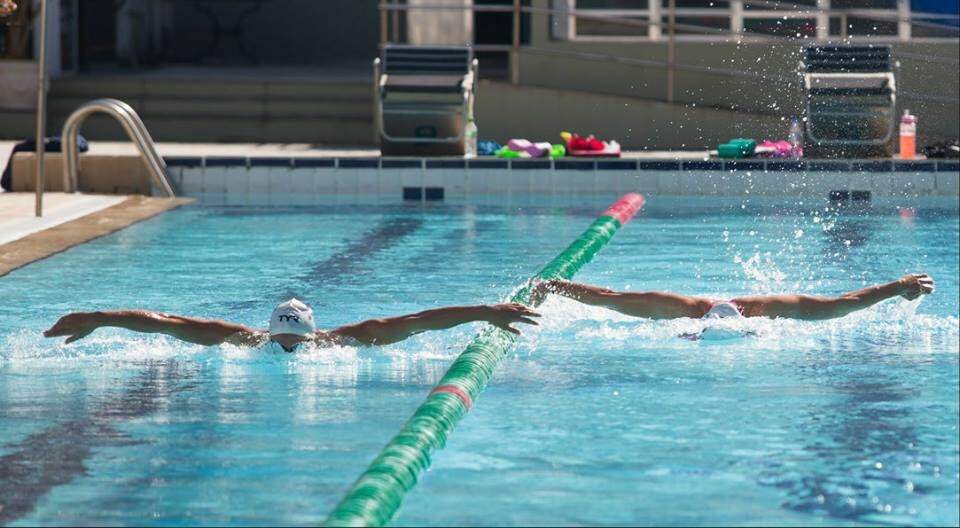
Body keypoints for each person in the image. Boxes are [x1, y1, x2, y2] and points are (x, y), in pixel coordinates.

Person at [43, 298, 541, 352]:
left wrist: (482, 311)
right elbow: (169, 324)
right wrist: (100, 319)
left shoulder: (346, 340)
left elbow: (419, 322)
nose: (287, 350)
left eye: (294, 342)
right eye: (282, 340)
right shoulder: (243, 341)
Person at [531, 274, 934, 321]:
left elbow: (843, 303)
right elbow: (608, 297)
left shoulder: (771, 307)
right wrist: (552, 286)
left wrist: (898, 287)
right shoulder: (683, 308)